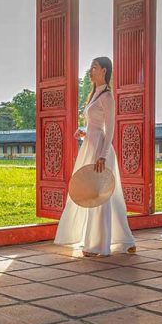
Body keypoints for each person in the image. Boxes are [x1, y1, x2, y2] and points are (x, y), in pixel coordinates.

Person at [54, 57, 136, 257]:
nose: (91, 71)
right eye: (91, 67)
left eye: (94, 67)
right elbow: (95, 126)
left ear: (104, 70)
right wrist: (84, 133)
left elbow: (110, 130)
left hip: (100, 150)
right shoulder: (95, 95)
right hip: (90, 147)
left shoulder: (107, 97)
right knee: (101, 193)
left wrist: (103, 156)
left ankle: (98, 244)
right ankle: (125, 240)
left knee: (100, 195)